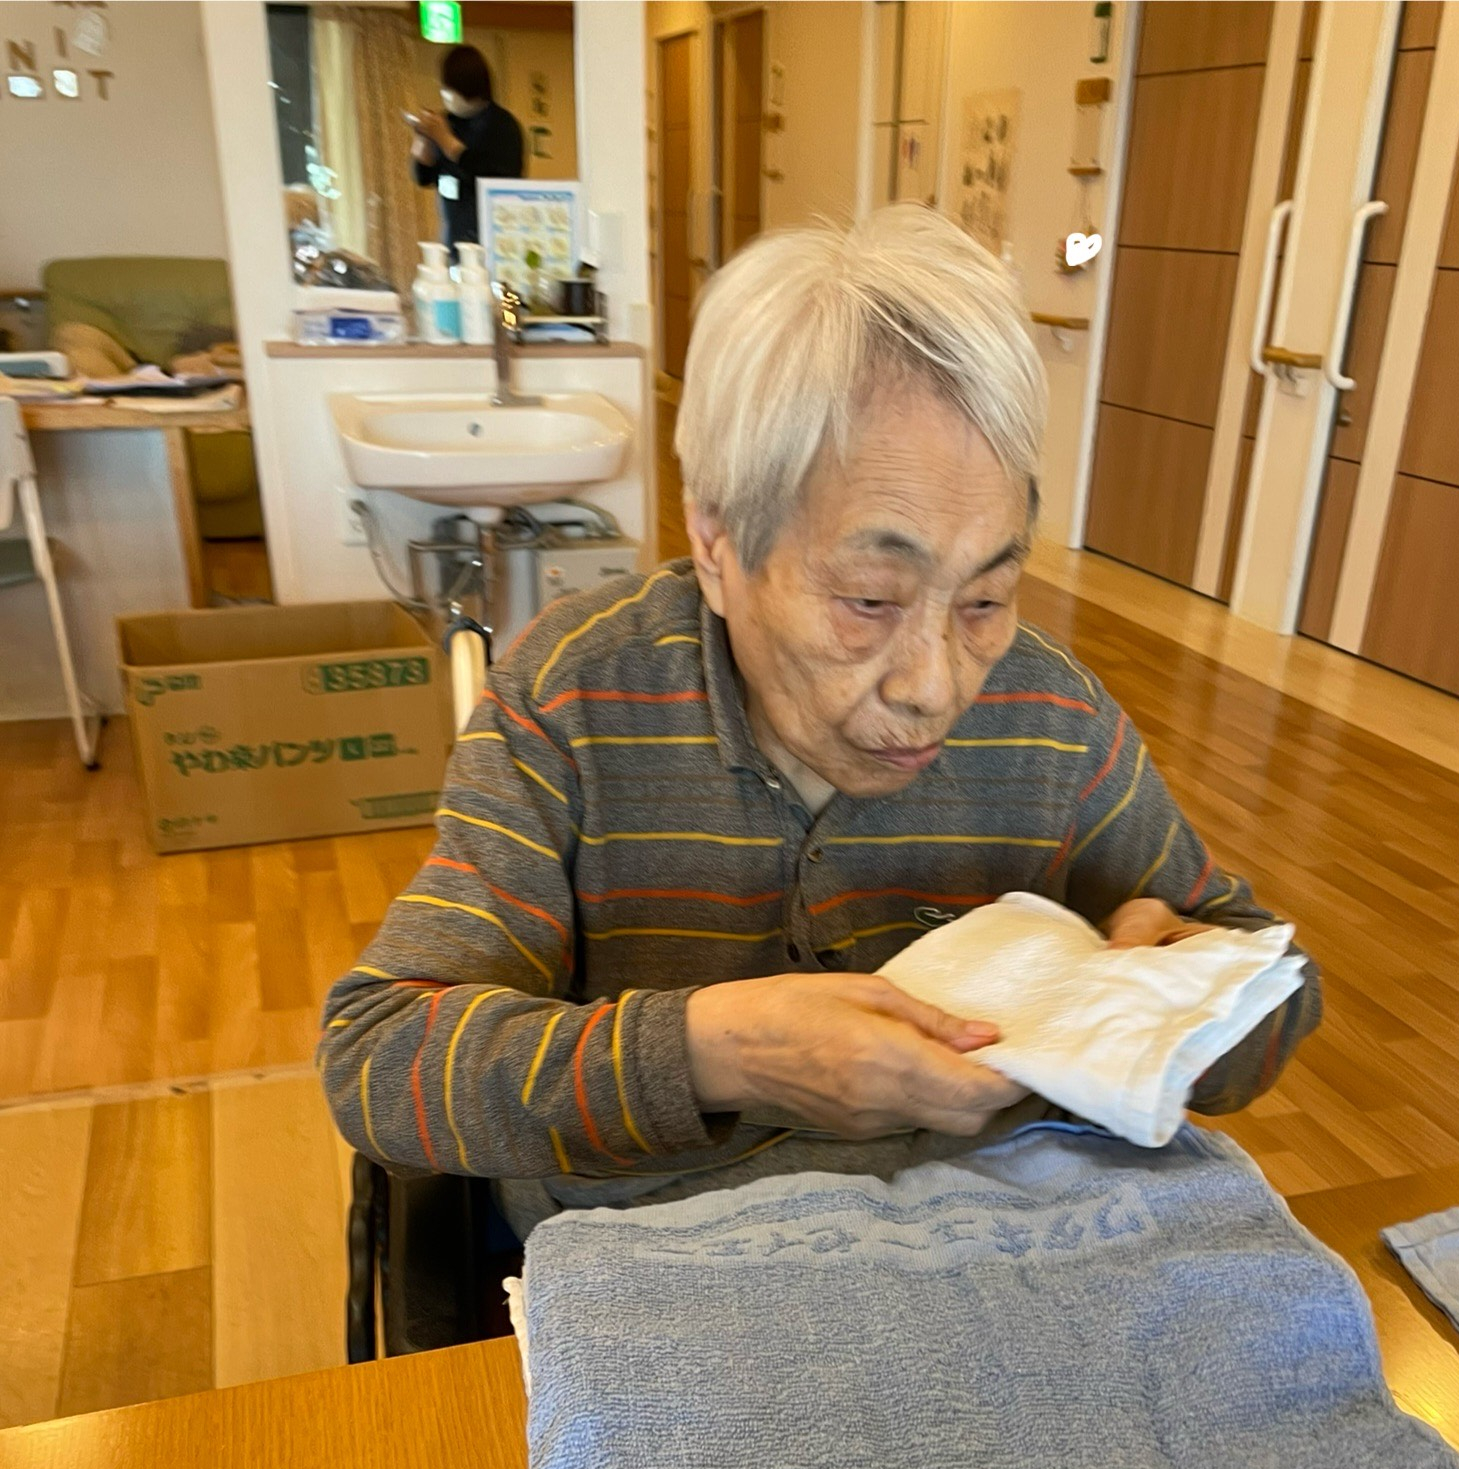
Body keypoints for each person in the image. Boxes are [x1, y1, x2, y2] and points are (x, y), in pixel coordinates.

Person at [319, 207, 1321, 1243]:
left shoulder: (1051, 718)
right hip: (663, 1263)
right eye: (868, 600)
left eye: (984, 599)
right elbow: (378, 1058)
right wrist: (716, 1052)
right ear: (717, 546)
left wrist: (1180, 992)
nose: (934, 685)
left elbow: (1274, 992)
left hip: (992, 1241)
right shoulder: (575, 697)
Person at [409, 44, 524, 256]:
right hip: (452, 239)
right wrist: (423, 141)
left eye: (452, 89)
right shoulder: (447, 121)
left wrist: (448, 143)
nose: (447, 95)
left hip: (495, 243)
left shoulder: (501, 125)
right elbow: (422, 178)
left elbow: (494, 179)